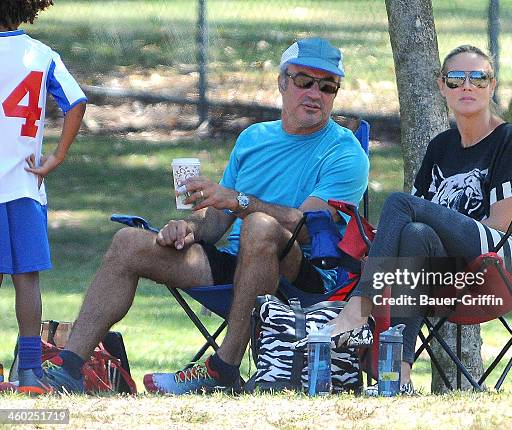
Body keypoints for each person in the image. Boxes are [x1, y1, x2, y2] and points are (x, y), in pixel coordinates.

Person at [41, 37, 369, 394]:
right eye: (305, 81)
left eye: (327, 86)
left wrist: (239, 201)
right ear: (282, 82)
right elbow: (214, 228)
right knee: (128, 242)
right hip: (239, 264)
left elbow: (304, 229)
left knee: (260, 227)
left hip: (304, 280)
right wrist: (187, 229)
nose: (315, 93)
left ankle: (224, 368)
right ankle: (69, 366)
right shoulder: (253, 139)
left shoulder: (345, 152)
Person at [329, 45, 512, 394]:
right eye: (456, 78)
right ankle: (398, 378)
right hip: (451, 265)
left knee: (401, 204)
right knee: (415, 234)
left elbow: (500, 227)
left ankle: (358, 308)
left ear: (492, 86)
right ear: (442, 86)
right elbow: (412, 228)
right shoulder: (441, 146)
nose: (467, 86)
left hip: (507, 254)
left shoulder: (508, 139)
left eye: (478, 78)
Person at [0, 0, 87, 394]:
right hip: (24, 185)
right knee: (26, 278)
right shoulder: (41, 54)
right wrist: (58, 155)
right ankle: (31, 373)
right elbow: (76, 101)